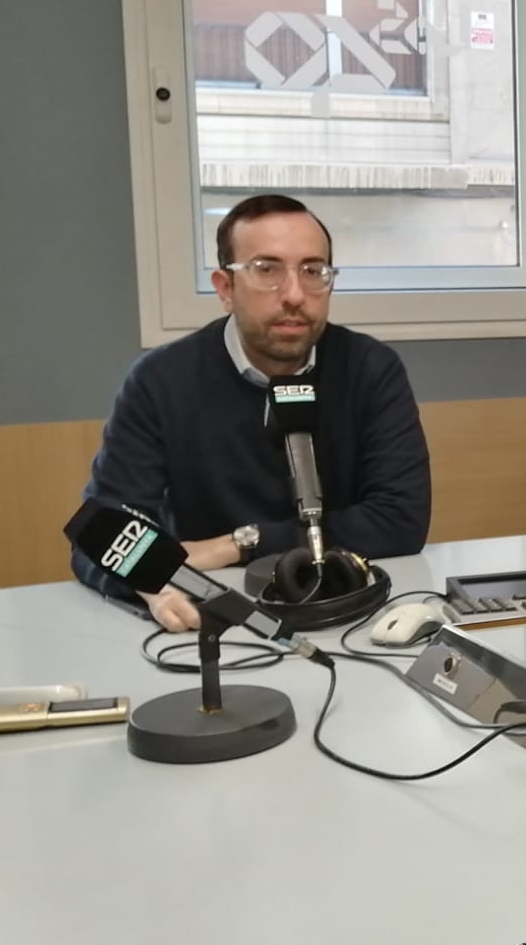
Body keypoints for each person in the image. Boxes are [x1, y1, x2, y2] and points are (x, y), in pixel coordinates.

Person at [72, 194, 432, 630]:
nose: (295, 294)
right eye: (267, 271)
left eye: (313, 271)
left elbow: (400, 521)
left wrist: (239, 544)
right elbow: (102, 537)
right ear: (225, 288)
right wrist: (150, 579)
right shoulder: (161, 380)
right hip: (211, 613)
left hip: (347, 609)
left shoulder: (371, 369)